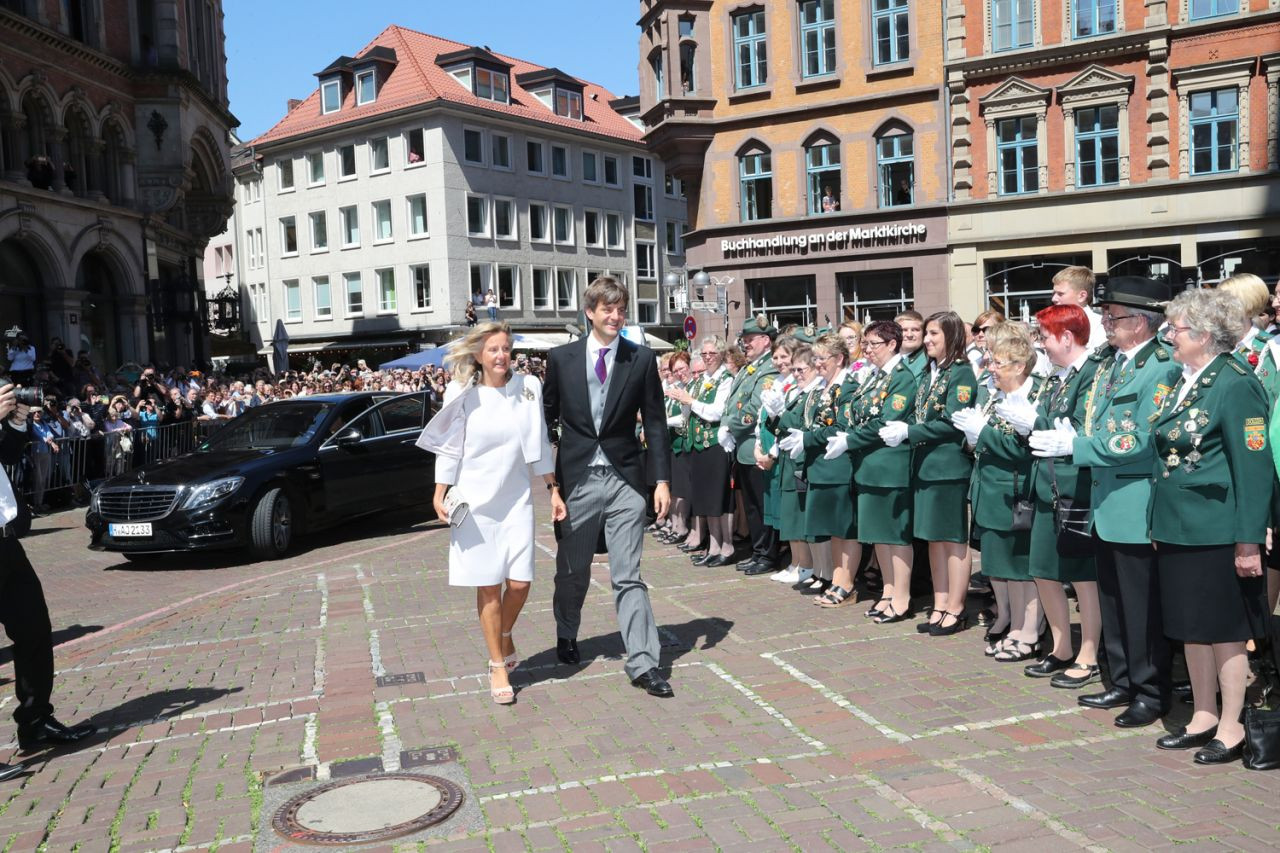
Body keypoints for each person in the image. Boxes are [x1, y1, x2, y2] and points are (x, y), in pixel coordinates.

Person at [1031, 276, 1180, 727]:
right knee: (1114, 602)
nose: (1105, 323)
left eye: (1112, 317)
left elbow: (1140, 438)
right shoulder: (1114, 363)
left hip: (1134, 504)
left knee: (1140, 606)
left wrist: (1076, 448)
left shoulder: (1161, 367)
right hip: (1105, 502)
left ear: (1139, 322)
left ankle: (1151, 692)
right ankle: (1120, 679)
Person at [1146, 288, 1270, 763]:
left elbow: (1253, 469)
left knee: (1224, 629)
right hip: (1178, 526)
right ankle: (1203, 714)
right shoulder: (1189, 377)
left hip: (1218, 530)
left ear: (1201, 334)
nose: (1169, 336)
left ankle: (1233, 723)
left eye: (1175, 329)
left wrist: (1248, 540)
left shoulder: (1234, 381)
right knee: (1189, 626)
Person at [542, 276, 673, 698]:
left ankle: (643, 663)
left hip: (626, 480)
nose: (615, 316)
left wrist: (661, 480)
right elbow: (543, 421)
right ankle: (567, 630)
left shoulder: (640, 359)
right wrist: (551, 483)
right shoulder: (561, 359)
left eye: (621, 309)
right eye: (607, 309)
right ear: (590, 312)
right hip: (578, 479)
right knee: (572, 571)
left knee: (628, 576)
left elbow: (654, 422)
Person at [422, 323, 565, 705]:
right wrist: (441, 490)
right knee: (488, 584)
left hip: (516, 498)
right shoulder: (461, 393)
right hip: (475, 501)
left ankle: (502, 634)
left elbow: (537, 440)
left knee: (520, 583)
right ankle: (497, 664)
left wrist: (553, 490)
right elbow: (449, 447)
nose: (502, 356)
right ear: (479, 355)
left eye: (507, 349)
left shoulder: (528, 388)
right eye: (494, 350)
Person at [0, 382, 97, 783]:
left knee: (35, 630)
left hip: (4, 541)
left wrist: (16, 425)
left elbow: (3, 455)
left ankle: (36, 720)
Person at [1013, 306, 1103, 682]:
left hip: (1075, 487)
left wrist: (1035, 422)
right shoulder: (1055, 378)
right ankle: (1061, 645)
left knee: (1082, 577)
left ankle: (1089, 653)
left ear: (1067, 337)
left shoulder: (1093, 376)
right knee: (1045, 572)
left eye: (1045, 336)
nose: (1042, 344)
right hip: (1046, 487)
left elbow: (1080, 426)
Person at [954, 322, 1044, 659]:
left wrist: (984, 435)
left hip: (1015, 492)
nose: (990, 368)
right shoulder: (997, 397)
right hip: (990, 491)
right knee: (1004, 567)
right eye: (990, 362)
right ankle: (1016, 622)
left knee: (1022, 568)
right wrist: (974, 437)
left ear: (1020, 366)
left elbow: (1024, 447)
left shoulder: (1032, 396)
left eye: (997, 363)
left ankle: (1029, 628)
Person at [887, 311, 975, 636]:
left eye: (933, 334)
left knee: (952, 540)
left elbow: (953, 420)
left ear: (951, 337)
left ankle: (956, 606)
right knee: (933, 540)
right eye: (927, 334)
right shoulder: (929, 373)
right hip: (925, 466)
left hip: (947, 468)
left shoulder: (961, 373)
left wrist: (909, 432)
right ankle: (940, 604)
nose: (926, 340)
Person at [826, 320, 920, 620]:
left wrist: (850, 439)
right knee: (879, 534)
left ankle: (902, 597)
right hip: (869, 465)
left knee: (895, 535)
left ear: (892, 344)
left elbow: (887, 419)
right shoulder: (874, 376)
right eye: (864, 344)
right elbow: (856, 410)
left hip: (890, 465)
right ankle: (888, 592)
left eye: (872, 344)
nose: (866, 350)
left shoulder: (902, 377)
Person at [666, 336, 736, 566]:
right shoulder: (701, 380)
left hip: (716, 445)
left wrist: (690, 401)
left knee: (718, 500)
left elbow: (716, 412)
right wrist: (680, 404)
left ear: (721, 354)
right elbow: (687, 414)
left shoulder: (726, 379)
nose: (707, 358)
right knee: (705, 501)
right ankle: (713, 545)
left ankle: (726, 546)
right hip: (697, 445)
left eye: (711, 354)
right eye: (704, 354)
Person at [722, 315, 780, 576]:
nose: (745, 344)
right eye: (743, 340)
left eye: (749, 340)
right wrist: (727, 423)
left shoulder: (769, 368)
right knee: (752, 505)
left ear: (766, 340)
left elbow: (754, 408)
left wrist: (730, 426)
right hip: (743, 447)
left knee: (762, 504)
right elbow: (732, 403)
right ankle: (758, 551)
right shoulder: (749, 369)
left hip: (756, 444)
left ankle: (767, 554)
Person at [1050, 266, 1107, 350]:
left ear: (1081, 296)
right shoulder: (1053, 324)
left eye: (1060, 294)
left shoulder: (1100, 326)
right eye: (1054, 293)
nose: (1054, 299)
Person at [896, 310, 928, 380]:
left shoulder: (929, 361)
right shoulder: (889, 359)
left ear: (923, 333)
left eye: (915, 330)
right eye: (904, 330)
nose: (909, 335)